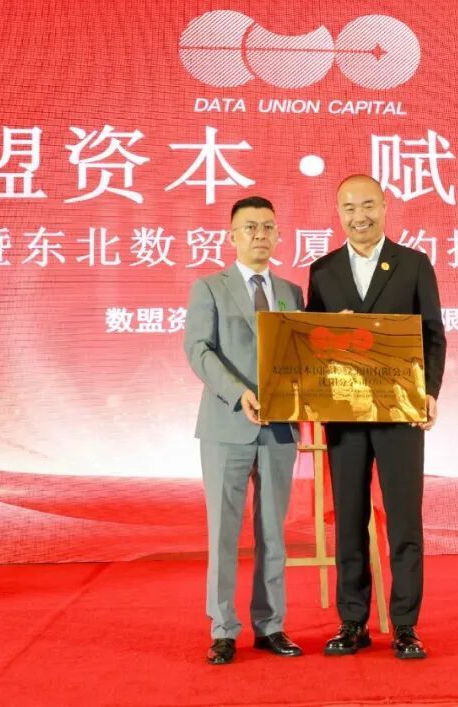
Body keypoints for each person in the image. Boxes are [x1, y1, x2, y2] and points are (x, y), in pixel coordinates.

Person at [307, 175, 447, 660]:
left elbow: (433, 334)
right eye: (349, 208)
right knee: (348, 518)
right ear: (338, 212)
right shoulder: (322, 270)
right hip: (344, 414)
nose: (359, 216)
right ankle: (353, 622)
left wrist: (429, 392)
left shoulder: (413, 264)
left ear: (385, 207)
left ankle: (405, 625)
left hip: (400, 411)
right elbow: (311, 343)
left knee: (404, 520)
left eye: (367, 205)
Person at [184, 196, 306, 665]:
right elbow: (198, 350)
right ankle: (223, 628)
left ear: (278, 235)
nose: (260, 235)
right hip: (226, 424)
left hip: (280, 429)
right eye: (250, 227)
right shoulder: (209, 288)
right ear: (232, 236)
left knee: (274, 532)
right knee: (224, 532)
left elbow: (302, 355)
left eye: (268, 227)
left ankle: (271, 625)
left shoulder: (292, 292)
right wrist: (239, 393)